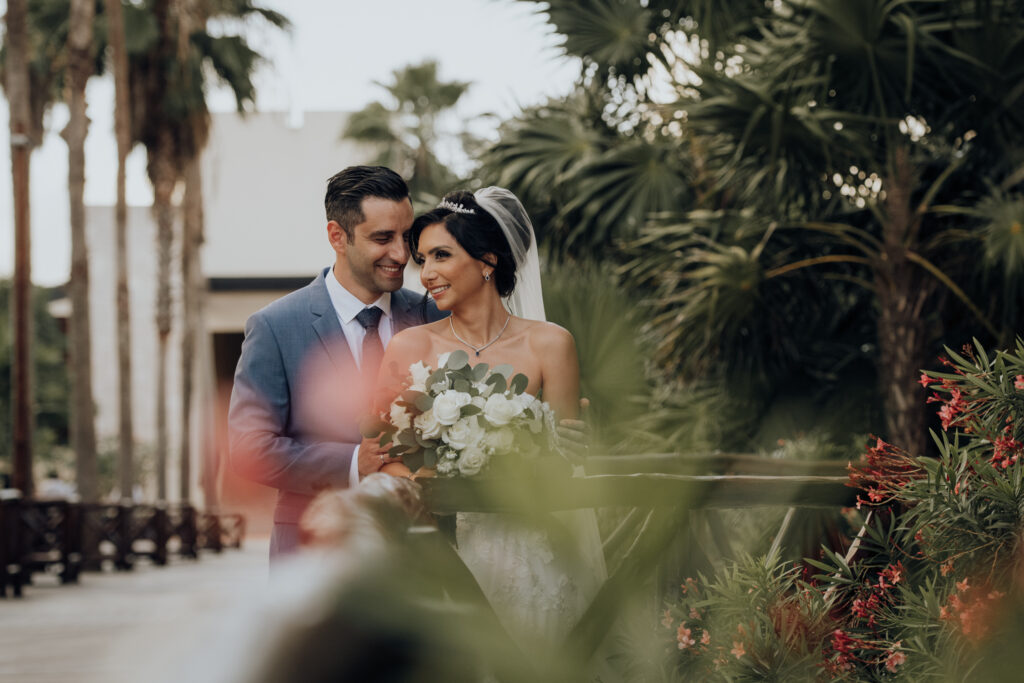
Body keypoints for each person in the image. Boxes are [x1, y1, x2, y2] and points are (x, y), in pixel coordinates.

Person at [364, 187, 607, 658]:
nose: (426, 273)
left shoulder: (551, 345)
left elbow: (565, 459)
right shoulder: (409, 348)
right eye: (422, 258)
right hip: (439, 553)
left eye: (440, 255)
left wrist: (571, 447)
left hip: (529, 553)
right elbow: (381, 453)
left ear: (487, 262)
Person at [228, 166, 446, 561]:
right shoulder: (275, 326)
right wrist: (351, 463)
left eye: (406, 236)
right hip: (313, 554)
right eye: (382, 238)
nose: (401, 254)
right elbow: (249, 447)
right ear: (337, 236)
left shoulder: (433, 316)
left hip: (422, 556)